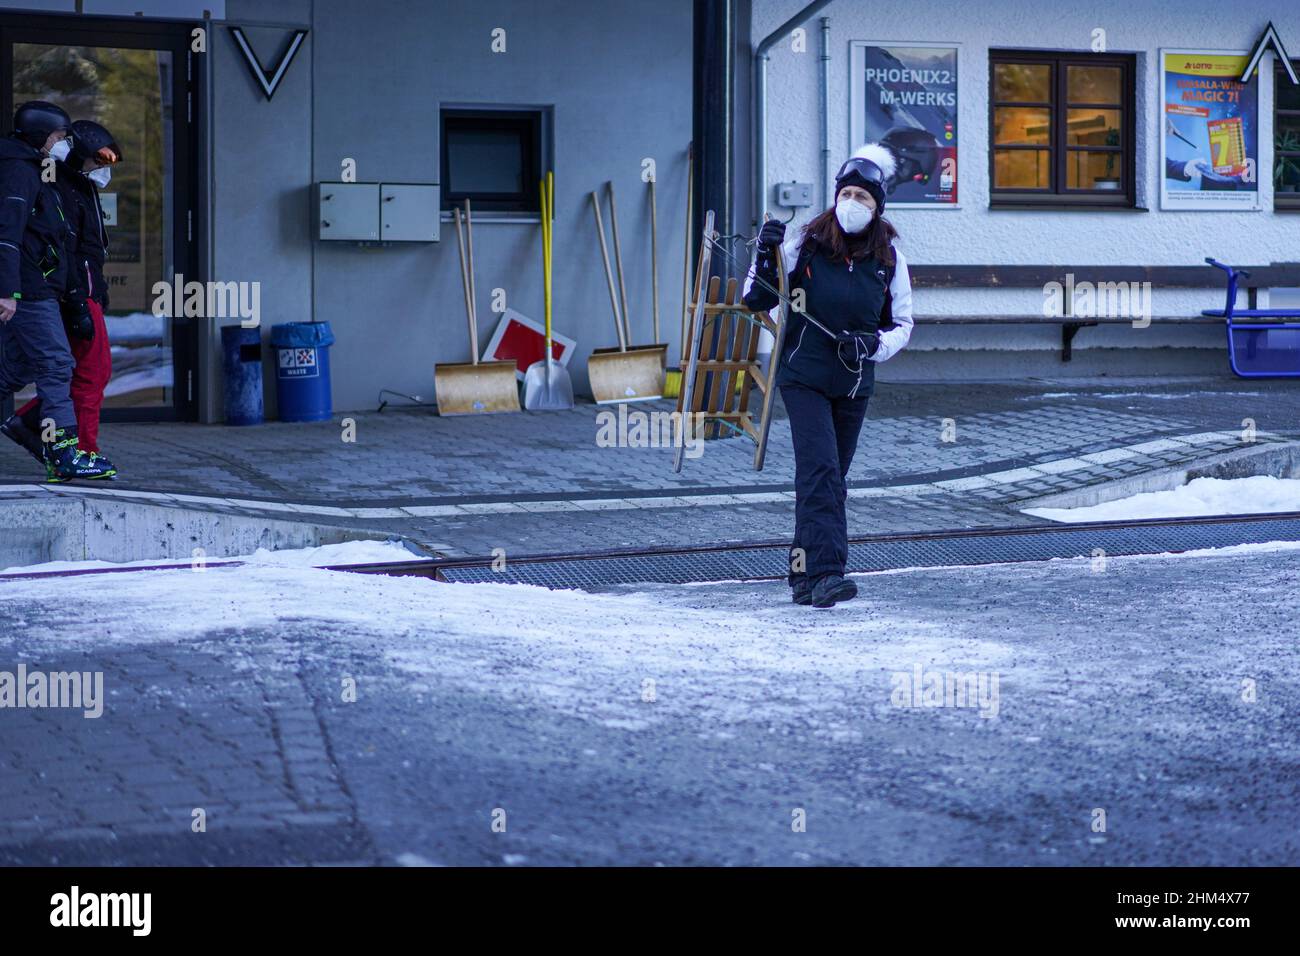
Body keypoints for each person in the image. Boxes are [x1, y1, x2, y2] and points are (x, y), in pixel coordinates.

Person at [743, 142, 914, 608]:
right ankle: (826, 574)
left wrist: (871, 345)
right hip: (804, 376)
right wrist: (765, 254)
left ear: (878, 207)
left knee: (831, 479)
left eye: (864, 198)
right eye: (847, 194)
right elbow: (756, 299)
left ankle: (800, 576)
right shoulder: (807, 242)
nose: (853, 204)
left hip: (854, 381)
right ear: (836, 196)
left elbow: (902, 325)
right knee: (819, 471)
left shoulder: (889, 257)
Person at [0, 103, 114, 480]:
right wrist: (8, 291)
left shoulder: (38, 171)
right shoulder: (24, 172)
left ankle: (58, 446)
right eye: (57, 136)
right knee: (59, 366)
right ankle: (67, 452)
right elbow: (10, 235)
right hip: (34, 289)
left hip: (44, 287)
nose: (60, 142)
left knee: (13, 371)